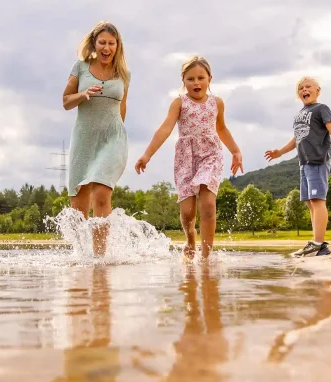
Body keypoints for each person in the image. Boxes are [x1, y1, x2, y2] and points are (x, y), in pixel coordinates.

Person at [135, 56, 243, 259]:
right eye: (191, 79)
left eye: (201, 78)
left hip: (210, 154)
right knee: (187, 212)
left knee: (208, 203)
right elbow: (165, 129)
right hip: (185, 157)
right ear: (183, 81)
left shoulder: (216, 103)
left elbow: (221, 128)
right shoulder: (179, 103)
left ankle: (206, 256)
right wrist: (147, 155)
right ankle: (190, 238)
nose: (196, 83)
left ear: (210, 79)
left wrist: (235, 151)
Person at [61, 21, 130, 256]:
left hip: (113, 138)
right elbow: (65, 102)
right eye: (102, 42)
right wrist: (82, 94)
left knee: (101, 191)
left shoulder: (123, 74)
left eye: (111, 43)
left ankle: (100, 258)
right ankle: (83, 258)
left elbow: (123, 108)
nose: (106, 47)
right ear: (94, 43)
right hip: (84, 139)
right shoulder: (80, 67)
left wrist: (119, 134)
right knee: (78, 211)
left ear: (117, 45)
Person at [265, 76, 331, 257]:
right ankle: (315, 243)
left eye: (308, 87)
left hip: (318, 160)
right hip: (304, 162)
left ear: (318, 90)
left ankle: (319, 245)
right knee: (310, 203)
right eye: (300, 88)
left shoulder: (321, 108)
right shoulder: (299, 115)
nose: (304, 90)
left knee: (318, 200)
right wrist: (279, 152)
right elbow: (297, 139)